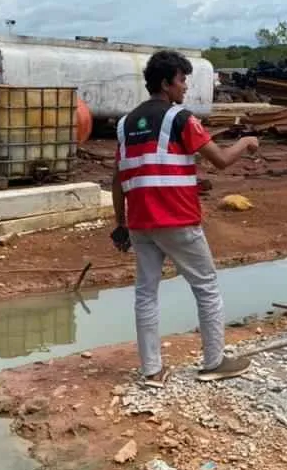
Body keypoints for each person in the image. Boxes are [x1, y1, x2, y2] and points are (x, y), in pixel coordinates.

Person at [110, 50, 259, 387]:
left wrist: (120, 222)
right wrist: (246, 142)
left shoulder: (124, 124)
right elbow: (220, 159)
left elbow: (117, 179)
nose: (185, 88)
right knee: (206, 287)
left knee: (145, 293)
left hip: (140, 223)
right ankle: (214, 361)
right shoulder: (180, 118)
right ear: (166, 83)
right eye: (182, 81)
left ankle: (152, 371)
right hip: (178, 219)